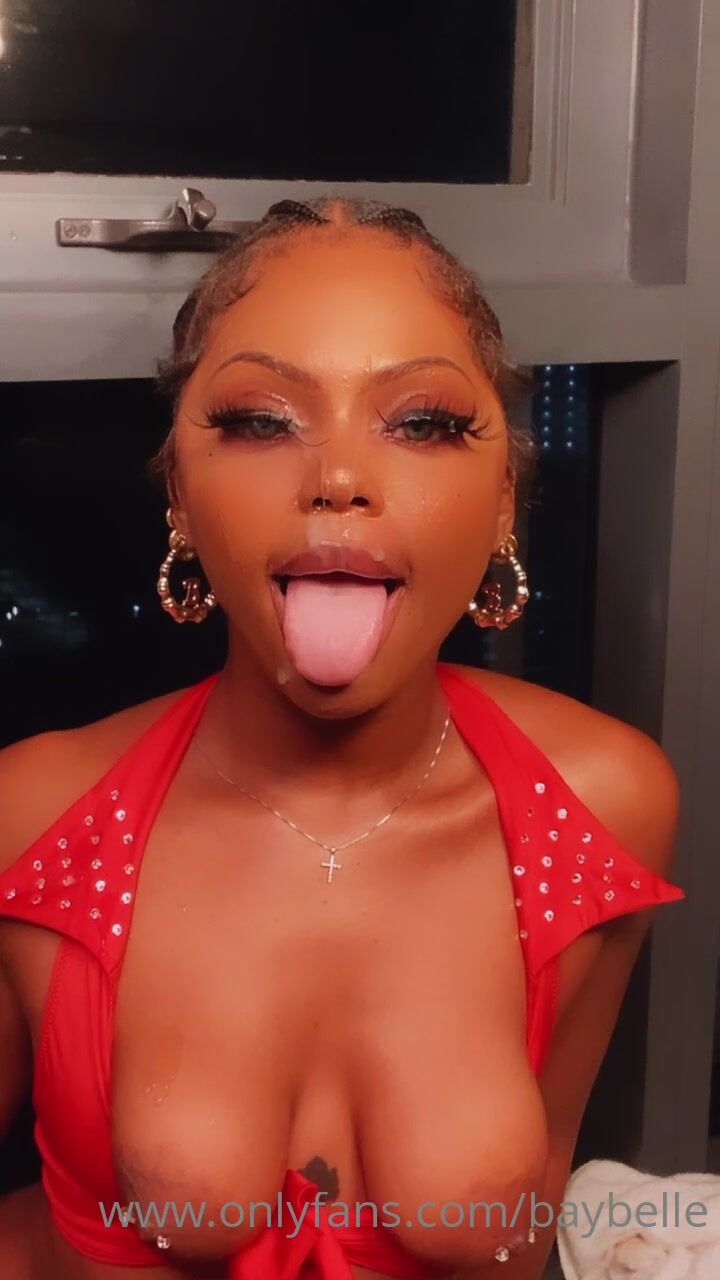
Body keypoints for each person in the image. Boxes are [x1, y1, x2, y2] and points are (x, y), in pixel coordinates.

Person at [0, 196, 684, 1280]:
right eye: (261, 420)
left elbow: (527, 1215)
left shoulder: (603, 803)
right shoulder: (31, 815)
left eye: (423, 423)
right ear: (179, 493)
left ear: (503, 497)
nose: (338, 478)